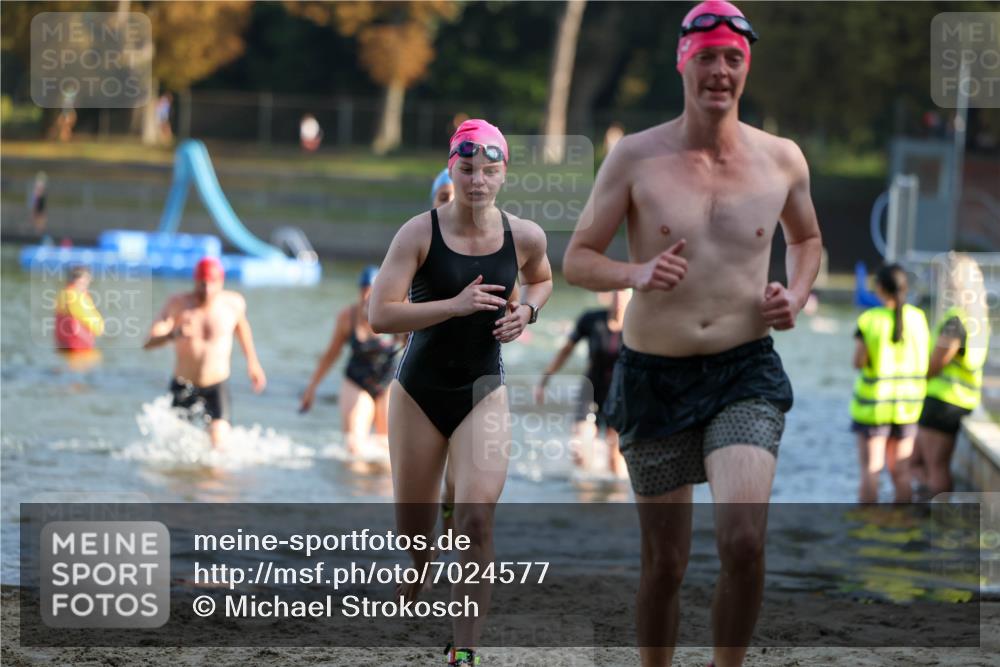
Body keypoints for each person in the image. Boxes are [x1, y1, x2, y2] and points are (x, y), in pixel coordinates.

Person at [561, 3, 823, 665]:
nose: (720, 71)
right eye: (707, 56)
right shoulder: (635, 156)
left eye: (733, 59)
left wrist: (795, 292)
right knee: (666, 563)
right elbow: (577, 258)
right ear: (684, 62)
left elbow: (808, 238)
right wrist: (636, 270)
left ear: (746, 68)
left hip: (745, 372)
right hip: (653, 374)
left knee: (742, 541)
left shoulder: (782, 160)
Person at [369, 119, 553, 666]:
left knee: (476, 519)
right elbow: (379, 313)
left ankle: (464, 653)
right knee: (415, 535)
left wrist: (528, 311)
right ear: (452, 167)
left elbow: (542, 279)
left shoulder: (525, 235)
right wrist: (452, 306)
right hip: (418, 395)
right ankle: (419, 565)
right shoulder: (418, 232)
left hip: (483, 390)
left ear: (503, 174)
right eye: (467, 168)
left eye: (489, 170)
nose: (477, 181)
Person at [144, 257, 267, 448]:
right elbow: (149, 342)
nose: (207, 290)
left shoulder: (233, 304)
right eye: (202, 284)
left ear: (221, 282)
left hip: (216, 386)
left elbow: (242, 328)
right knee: (175, 449)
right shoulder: (178, 305)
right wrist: (173, 334)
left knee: (219, 444)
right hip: (184, 385)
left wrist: (253, 363)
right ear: (195, 281)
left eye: (212, 284)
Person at [299, 265, 405, 456]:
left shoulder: (396, 312)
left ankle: (382, 485)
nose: (366, 297)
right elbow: (331, 354)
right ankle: (355, 485)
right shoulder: (348, 317)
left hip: (388, 381)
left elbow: (415, 346)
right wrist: (312, 387)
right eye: (363, 291)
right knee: (354, 447)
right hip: (356, 380)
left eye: (371, 292)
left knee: (389, 448)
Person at [911, 253, 991, 496]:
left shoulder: (956, 320)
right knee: (919, 463)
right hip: (960, 400)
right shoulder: (978, 320)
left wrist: (916, 379)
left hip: (943, 401)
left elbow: (938, 361)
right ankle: (928, 518)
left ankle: (936, 525)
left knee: (935, 467)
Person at [850, 264, 930, 503]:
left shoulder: (869, 320)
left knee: (871, 470)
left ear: (880, 288)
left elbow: (858, 362)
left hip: (873, 407)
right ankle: (902, 528)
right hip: (908, 407)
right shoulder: (919, 318)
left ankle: (866, 529)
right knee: (901, 471)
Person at [536, 289, 630, 476]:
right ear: (608, 295)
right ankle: (583, 499)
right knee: (580, 450)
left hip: (620, 397)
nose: (618, 297)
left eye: (623, 292)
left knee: (615, 460)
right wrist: (544, 380)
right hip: (590, 391)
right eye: (615, 292)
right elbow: (565, 351)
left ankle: (616, 501)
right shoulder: (592, 319)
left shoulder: (636, 326)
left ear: (632, 296)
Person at [54, 266, 104, 368]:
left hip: (65, 346)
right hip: (78, 348)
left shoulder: (64, 294)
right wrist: (100, 328)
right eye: (86, 278)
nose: (88, 282)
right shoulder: (74, 296)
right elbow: (91, 321)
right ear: (78, 279)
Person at [30, 172, 48, 238]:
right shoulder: (40, 219)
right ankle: (41, 180)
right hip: (39, 205)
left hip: (39, 205)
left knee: (38, 193)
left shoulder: (37, 194)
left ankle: (40, 180)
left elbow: (36, 208)